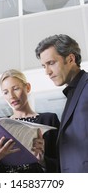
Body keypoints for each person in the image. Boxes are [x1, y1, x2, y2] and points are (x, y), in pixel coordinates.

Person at [0, 69, 60, 173]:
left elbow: (65, 163)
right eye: (6, 92)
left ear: (28, 87)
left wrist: (43, 161)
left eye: (15, 89)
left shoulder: (49, 120)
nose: (11, 96)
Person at [35, 34, 88, 173]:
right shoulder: (71, 95)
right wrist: (42, 159)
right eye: (44, 66)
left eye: (51, 63)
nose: (47, 72)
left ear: (70, 59)